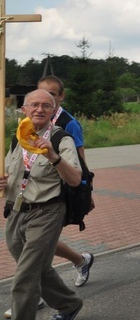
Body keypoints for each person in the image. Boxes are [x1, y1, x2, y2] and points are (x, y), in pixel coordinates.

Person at [1, 89, 84, 320]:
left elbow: (75, 179)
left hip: (47, 212)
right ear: (24, 109)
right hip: (16, 211)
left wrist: (53, 156)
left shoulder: (60, 139)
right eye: (34, 105)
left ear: (53, 111)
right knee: (37, 269)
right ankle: (69, 303)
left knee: (25, 277)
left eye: (46, 106)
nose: (39, 109)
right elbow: (15, 174)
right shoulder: (18, 136)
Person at [36, 76, 95, 289]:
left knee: (40, 243)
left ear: (61, 96)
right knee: (40, 242)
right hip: (36, 190)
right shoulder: (33, 119)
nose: (46, 98)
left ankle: (35, 292)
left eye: (52, 94)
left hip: (60, 192)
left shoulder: (69, 124)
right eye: (42, 92)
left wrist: (86, 193)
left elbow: (81, 162)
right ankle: (81, 260)